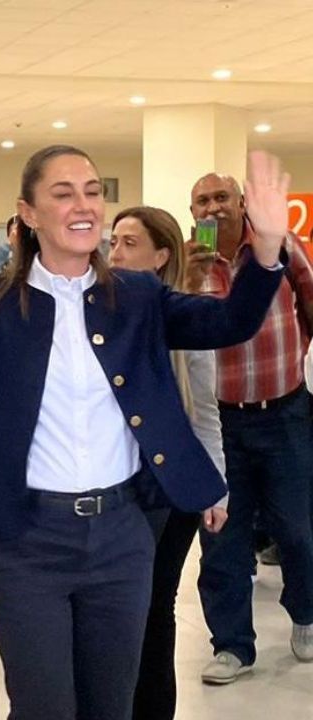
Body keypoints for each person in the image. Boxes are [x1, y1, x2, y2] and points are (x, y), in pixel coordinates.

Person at [0, 145, 288, 720]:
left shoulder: (136, 295)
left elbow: (229, 322)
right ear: (28, 212)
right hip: (26, 542)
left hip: (122, 536)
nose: (84, 206)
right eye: (63, 193)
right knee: (43, 706)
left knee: (112, 705)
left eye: (92, 191)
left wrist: (268, 247)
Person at [188, 170, 313, 683]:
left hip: (285, 413)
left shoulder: (280, 245)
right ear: (191, 210)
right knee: (222, 538)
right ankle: (232, 646)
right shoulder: (189, 263)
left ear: (241, 202)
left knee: (299, 530)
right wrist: (186, 280)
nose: (213, 208)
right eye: (202, 201)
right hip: (218, 426)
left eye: (222, 197)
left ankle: (306, 613)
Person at [107, 206, 229, 720]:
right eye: (112, 242)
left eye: (129, 244)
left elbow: (205, 412)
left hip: (168, 488)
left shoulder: (182, 318)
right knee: (119, 614)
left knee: (155, 609)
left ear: (161, 257)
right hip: (112, 487)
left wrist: (216, 487)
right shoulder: (98, 314)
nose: (114, 254)